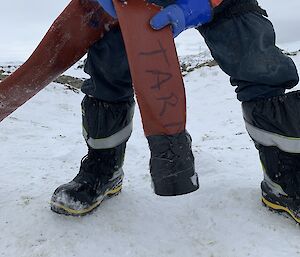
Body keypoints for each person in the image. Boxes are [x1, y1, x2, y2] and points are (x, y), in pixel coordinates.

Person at [50, 0, 300, 223]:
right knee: (108, 69)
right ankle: (103, 169)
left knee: (258, 63)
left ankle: (284, 177)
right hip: (133, 4)